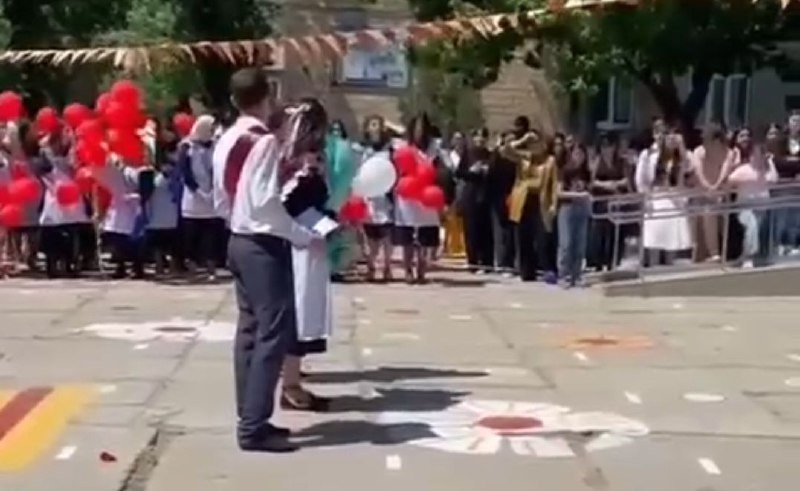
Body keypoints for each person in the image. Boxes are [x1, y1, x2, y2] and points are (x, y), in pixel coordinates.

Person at [225, 68, 319, 453]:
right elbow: (265, 202)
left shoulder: (228, 137)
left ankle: (250, 414)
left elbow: (224, 192)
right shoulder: (262, 141)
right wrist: (299, 233)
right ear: (268, 96)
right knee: (272, 333)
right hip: (262, 242)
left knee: (249, 332)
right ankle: (253, 426)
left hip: (238, 237)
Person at [279, 99, 335, 412]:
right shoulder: (294, 165)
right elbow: (290, 202)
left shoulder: (307, 161)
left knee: (304, 307)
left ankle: (292, 378)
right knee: (298, 309)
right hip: (299, 240)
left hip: (309, 238)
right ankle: (289, 384)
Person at [393, 113, 450, 284]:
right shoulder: (403, 146)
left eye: (423, 128)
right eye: (417, 128)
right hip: (408, 194)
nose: (420, 132)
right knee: (407, 236)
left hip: (427, 194)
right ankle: (408, 270)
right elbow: (396, 169)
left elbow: (445, 170)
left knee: (425, 236)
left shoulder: (435, 149)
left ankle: (421, 269)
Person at [504, 129, 557, 282]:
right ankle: (527, 272)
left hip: (540, 199)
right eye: (532, 143)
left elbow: (554, 184)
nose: (535, 146)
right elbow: (506, 151)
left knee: (542, 237)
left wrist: (553, 204)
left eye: (537, 142)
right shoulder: (524, 157)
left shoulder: (550, 161)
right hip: (523, 199)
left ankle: (547, 269)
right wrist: (523, 140)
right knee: (523, 237)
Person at [636, 127, 693, 265]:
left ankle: (668, 270)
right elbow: (641, 180)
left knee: (671, 242)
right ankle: (653, 268)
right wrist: (646, 197)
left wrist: (681, 146)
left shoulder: (679, 155)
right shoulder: (649, 154)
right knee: (654, 240)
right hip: (656, 199)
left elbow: (688, 167)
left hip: (674, 200)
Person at [37, 129, 89, 278]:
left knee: (72, 232)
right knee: (52, 232)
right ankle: (52, 264)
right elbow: (42, 172)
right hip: (54, 199)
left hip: (72, 200)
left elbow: (79, 170)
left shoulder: (73, 155)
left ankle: (70, 263)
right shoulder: (46, 157)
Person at [727, 128, 778, 268]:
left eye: (761, 154)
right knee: (752, 226)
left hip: (761, 208)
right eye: (756, 154)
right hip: (745, 208)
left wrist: (770, 162)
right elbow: (730, 181)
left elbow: (774, 180)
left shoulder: (767, 171)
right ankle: (748, 257)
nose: (759, 157)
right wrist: (745, 181)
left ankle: (747, 256)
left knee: (753, 231)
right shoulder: (743, 170)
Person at [179, 115, 218, 280]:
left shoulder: (214, 145)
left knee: (210, 237)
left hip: (211, 196)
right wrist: (199, 192)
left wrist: (213, 190)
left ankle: (211, 268)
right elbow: (185, 172)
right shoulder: (187, 146)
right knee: (192, 236)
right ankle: (192, 267)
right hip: (193, 198)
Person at [690, 123, 735, 263]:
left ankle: (715, 253)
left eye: (706, 139)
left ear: (716, 140)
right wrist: (709, 188)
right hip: (701, 194)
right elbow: (698, 173)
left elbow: (725, 171)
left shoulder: (729, 153)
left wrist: (716, 188)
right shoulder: (698, 151)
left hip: (721, 196)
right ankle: (699, 253)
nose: (703, 142)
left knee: (710, 211)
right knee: (698, 214)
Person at [358, 115, 394, 282]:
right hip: (369, 196)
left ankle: (387, 267)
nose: (376, 127)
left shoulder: (390, 149)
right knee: (370, 236)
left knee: (387, 235)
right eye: (373, 124)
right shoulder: (363, 150)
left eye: (378, 124)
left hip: (386, 196)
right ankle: (371, 266)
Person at [589, 132, 629, 271]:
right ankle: (598, 263)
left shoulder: (620, 162)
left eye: (609, 146)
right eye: (604, 146)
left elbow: (626, 180)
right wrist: (606, 185)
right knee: (600, 234)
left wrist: (616, 184)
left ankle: (613, 262)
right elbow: (592, 181)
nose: (607, 149)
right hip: (601, 202)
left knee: (615, 233)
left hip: (616, 202)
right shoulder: (597, 161)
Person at [456, 128, 494, 273]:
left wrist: (487, 170)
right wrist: (471, 171)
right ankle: (472, 262)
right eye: (478, 137)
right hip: (470, 195)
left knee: (486, 231)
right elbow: (459, 173)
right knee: (471, 230)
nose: (480, 140)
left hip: (486, 195)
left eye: (483, 137)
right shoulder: (468, 154)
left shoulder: (490, 155)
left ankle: (486, 263)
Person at [556, 143, 592, 287]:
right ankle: (564, 274)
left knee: (580, 243)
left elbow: (589, 189)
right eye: (576, 154)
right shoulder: (565, 171)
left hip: (582, 209)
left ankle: (576, 275)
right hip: (567, 208)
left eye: (582, 154)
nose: (579, 157)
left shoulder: (586, 172)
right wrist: (578, 195)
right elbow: (559, 193)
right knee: (566, 242)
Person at [487, 131, 518, 275]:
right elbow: (491, 173)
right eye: (508, 141)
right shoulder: (497, 157)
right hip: (498, 197)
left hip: (515, 196)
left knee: (512, 233)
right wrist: (496, 149)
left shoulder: (518, 158)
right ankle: (502, 263)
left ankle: (511, 263)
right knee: (500, 232)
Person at [774, 112, 800, 256]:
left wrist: (790, 161)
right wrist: (794, 162)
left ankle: (793, 243)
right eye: (793, 121)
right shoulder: (780, 141)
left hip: (798, 187)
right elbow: (779, 162)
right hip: (783, 185)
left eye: (798, 121)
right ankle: (778, 244)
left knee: (796, 218)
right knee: (781, 216)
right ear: (788, 123)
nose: (796, 124)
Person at [443, 131, 467, 258]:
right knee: (450, 219)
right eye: (456, 139)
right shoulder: (448, 156)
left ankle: (462, 246)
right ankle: (449, 246)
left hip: (464, 189)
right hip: (450, 190)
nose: (458, 141)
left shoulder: (467, 156)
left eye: (460, 139)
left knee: (462, 219)